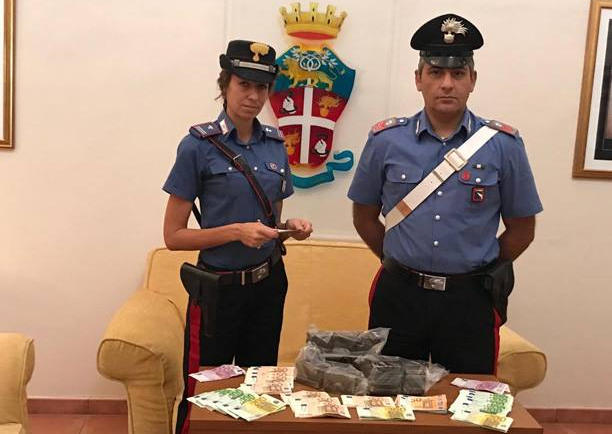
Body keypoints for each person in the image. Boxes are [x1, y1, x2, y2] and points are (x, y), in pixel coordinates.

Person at [347, 14, 542, 374]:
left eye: (458, 73)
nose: (447, 84)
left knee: (468, 398)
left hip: (469, 300)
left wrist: (479, 268)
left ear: (473, 80)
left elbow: (522, 228)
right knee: (388, 396)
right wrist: (396, 257)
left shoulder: (504, 146)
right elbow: (364, 215)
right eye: (436, 72)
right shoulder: (385, 141)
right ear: (418, 79)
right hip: (400, 295)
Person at [162, 39, 313, 367]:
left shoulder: (275, 144)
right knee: (206, 385)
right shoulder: (197, 146)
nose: (253, 96)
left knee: (258, 385)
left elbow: (270, 226)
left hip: (268, 284)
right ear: (225, 85)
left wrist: (289, 229)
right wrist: (235, 232)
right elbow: (173, 236)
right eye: (244, 84)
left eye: (261, 87)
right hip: (219, 286)